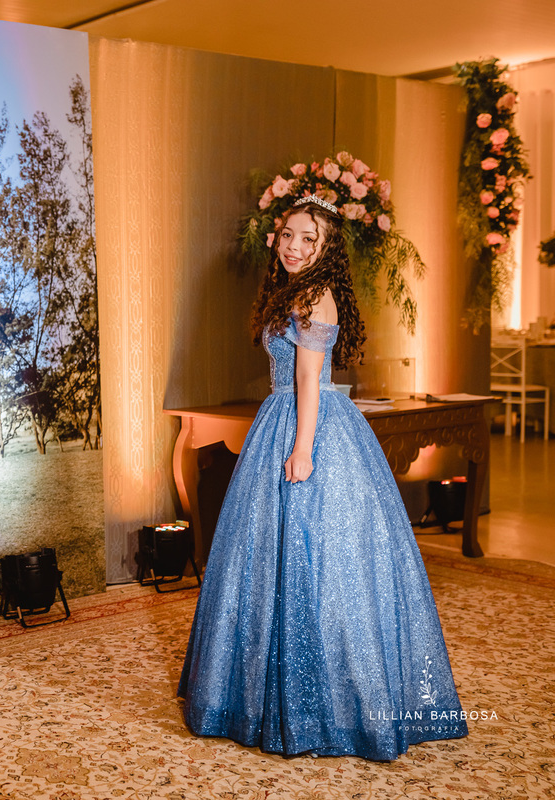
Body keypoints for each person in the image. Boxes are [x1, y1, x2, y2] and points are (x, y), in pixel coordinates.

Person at [177, 196, 467, 760]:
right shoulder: (293, 289)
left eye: (309, 240)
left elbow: (309, 380)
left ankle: (332, 705)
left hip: (308, 428)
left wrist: (303, 449)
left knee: (321, 559)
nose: (294, 246)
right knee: (272, 560)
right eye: (288, 234)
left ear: (326, 250)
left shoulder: (315, 295)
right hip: (282, 417)